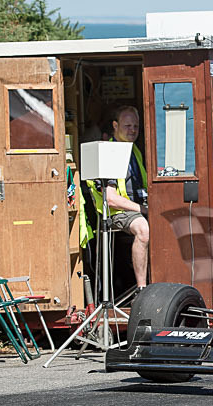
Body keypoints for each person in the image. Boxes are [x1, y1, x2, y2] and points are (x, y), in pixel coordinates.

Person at [92, 105, 149, 291]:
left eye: (136, 126)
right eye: (127, 126)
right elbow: (112, 199)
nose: (132, 130)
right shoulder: (110, 152)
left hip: (136, 206)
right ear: (115, 126)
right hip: (116, 212)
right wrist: (142, 209)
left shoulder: (135, 151)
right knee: (143, 228)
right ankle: (142, 289)